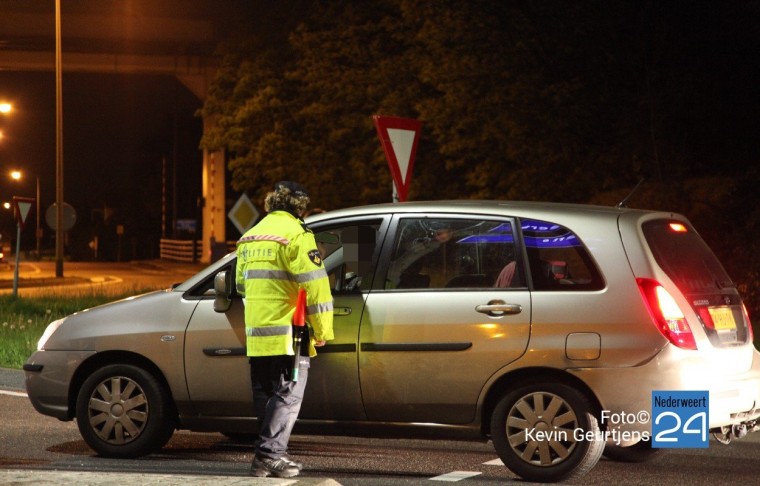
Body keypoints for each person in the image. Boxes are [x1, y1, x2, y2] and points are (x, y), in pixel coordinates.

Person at [235, 181, 334, 478]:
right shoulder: (297, 236)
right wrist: (323, 330)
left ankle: (266, 458)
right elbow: (315, 287)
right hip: (289, 334)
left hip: (257, 334)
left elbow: (241, 285)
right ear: (300, 207)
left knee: (266, 396)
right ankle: (270, 455)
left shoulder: (249, 237)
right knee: (288, 396)